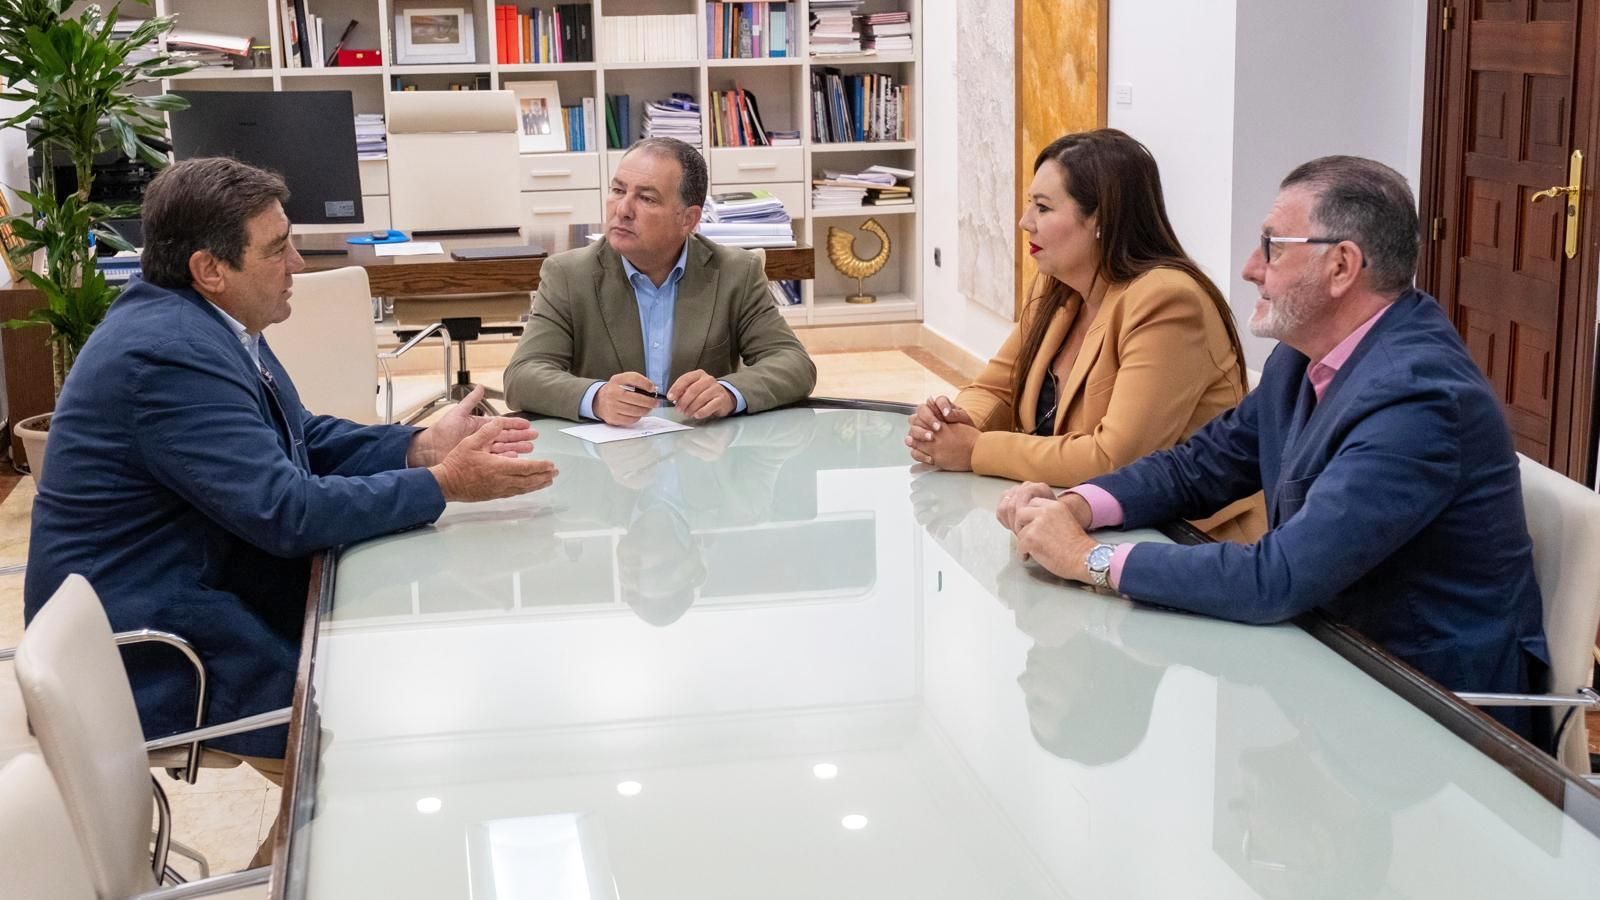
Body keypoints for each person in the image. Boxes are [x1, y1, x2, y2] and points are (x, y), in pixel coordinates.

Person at [24, 158, 559, 789]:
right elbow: (287, 512)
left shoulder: (208, 321)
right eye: (278, 249)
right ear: (210, 269)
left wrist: (418, 445)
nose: (299, 264)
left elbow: (299, 437)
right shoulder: (166, 354)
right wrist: (443, 484)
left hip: (203, 581)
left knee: (376, 686)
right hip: (154, 642)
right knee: (352, 771)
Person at [997, 155, 1550, 746]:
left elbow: (1280, 576)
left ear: (1341, 266)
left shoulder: (1417, 398)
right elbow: (1199, 467)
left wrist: (1089, 561)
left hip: (1435, 717)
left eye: (1272, 247)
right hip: (1332, 668)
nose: (1249, 268)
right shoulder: (1304, 355)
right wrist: (1077, 505)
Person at [906, 129, 1264, 543]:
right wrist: (954, 421)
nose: (1025, 223)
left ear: (1101, 220)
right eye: (1029, 205)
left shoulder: (1167, 301)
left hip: (1181, 539)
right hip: (1070, 518)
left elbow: (1115, 458)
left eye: (1042, 208)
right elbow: (996, 389)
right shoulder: (1057, 284)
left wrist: (973, 450)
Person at [503, 136, 816, 424]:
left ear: (688, 219)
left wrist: (729, 391)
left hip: (703, 459)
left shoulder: (736, 272)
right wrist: (596, 398)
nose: (623, 209)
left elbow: (794, 364)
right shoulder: (568, 275)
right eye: (618, 190)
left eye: (647, 199)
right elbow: (522, 377)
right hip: (608, 460)